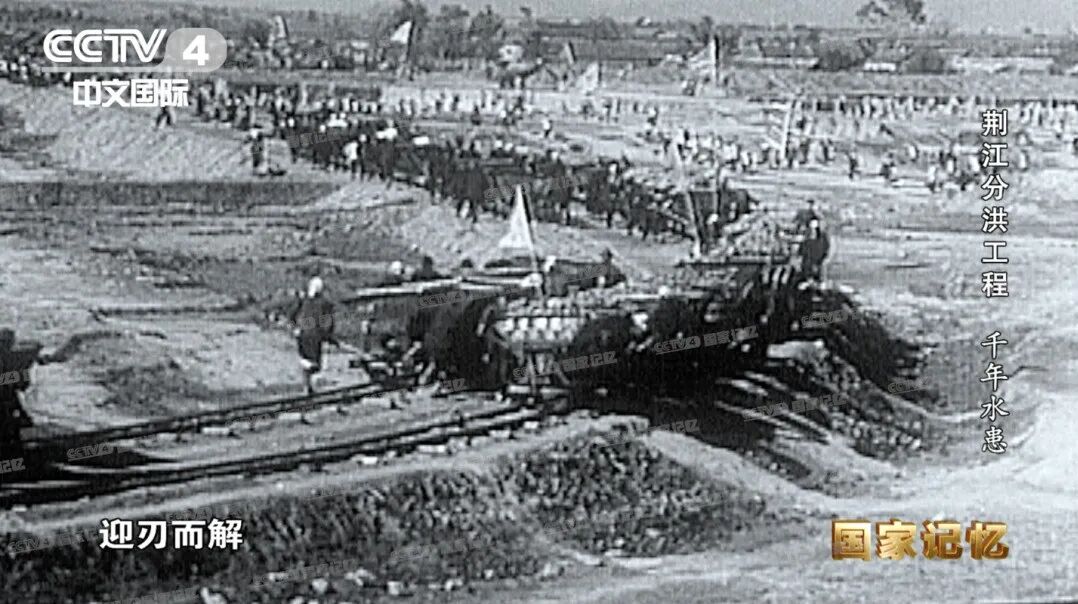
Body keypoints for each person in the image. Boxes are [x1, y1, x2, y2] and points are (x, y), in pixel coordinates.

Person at [289, 277, 340, 395]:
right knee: (314, 363)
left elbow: (292, 315)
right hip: (314, 336)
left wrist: (294, 328)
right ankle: (309, 386)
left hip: (303, 334)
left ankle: (307, 386)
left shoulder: (303, 301)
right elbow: (328, 321)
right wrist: (328, 335)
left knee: (306, 361)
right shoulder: (324, 303)